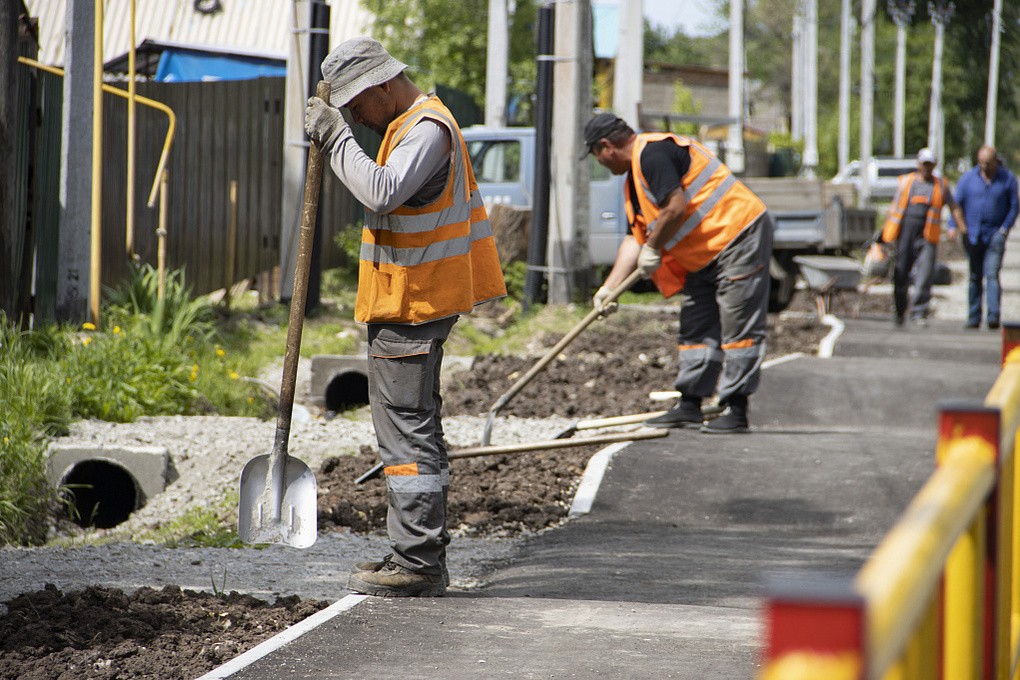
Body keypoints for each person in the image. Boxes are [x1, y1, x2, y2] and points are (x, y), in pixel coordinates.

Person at [304, 38, 506, 596]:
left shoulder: (425, 128)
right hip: (408, 301)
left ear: (384, 85)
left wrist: (333, 136)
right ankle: (420, 554)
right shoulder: (408, 126)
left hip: (413, 306)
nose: (356, 118)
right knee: (416, 431)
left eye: (357, 106)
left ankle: (415, 561)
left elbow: (382, 190)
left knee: (406, 437)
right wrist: (343, 131)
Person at [583, 113, 773, 434]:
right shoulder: (635, 179)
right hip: (703, 252)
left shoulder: (653, 152)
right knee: (696, 322)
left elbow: (675, 207)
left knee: (738, 323)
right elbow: (635, 238)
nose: (599, 163)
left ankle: (737, 409)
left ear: (606, 147)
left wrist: (653, 247)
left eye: (595, 156)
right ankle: (690, 404)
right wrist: (609, 288)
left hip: (737, 233)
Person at [880, 147, 966, 326]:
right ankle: (899, 311)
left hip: (928, 235)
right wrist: (884, 234)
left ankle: (919, 313)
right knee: (901, 273)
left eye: (930, 164)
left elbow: (954, 207)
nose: (927, 168)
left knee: (925, 274)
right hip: (905, 233)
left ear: (934, 165)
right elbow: (894, 207)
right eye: (924, 164)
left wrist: (961, 229)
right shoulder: (906, 182)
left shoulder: (941, 185)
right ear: (918, 164)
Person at [949, 145, 1019, 330]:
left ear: (996, 160)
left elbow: (1014, 206)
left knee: (992, 274)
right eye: (980, 162)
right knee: (974, 275)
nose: (984, 166)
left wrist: (1004, 229)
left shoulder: (1007, 179)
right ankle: (973, 317)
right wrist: (952, 226)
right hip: (972, 235)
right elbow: (956, 204)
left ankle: (993, 316)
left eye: (987, 163)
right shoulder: (968, 179)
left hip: (995, 234)